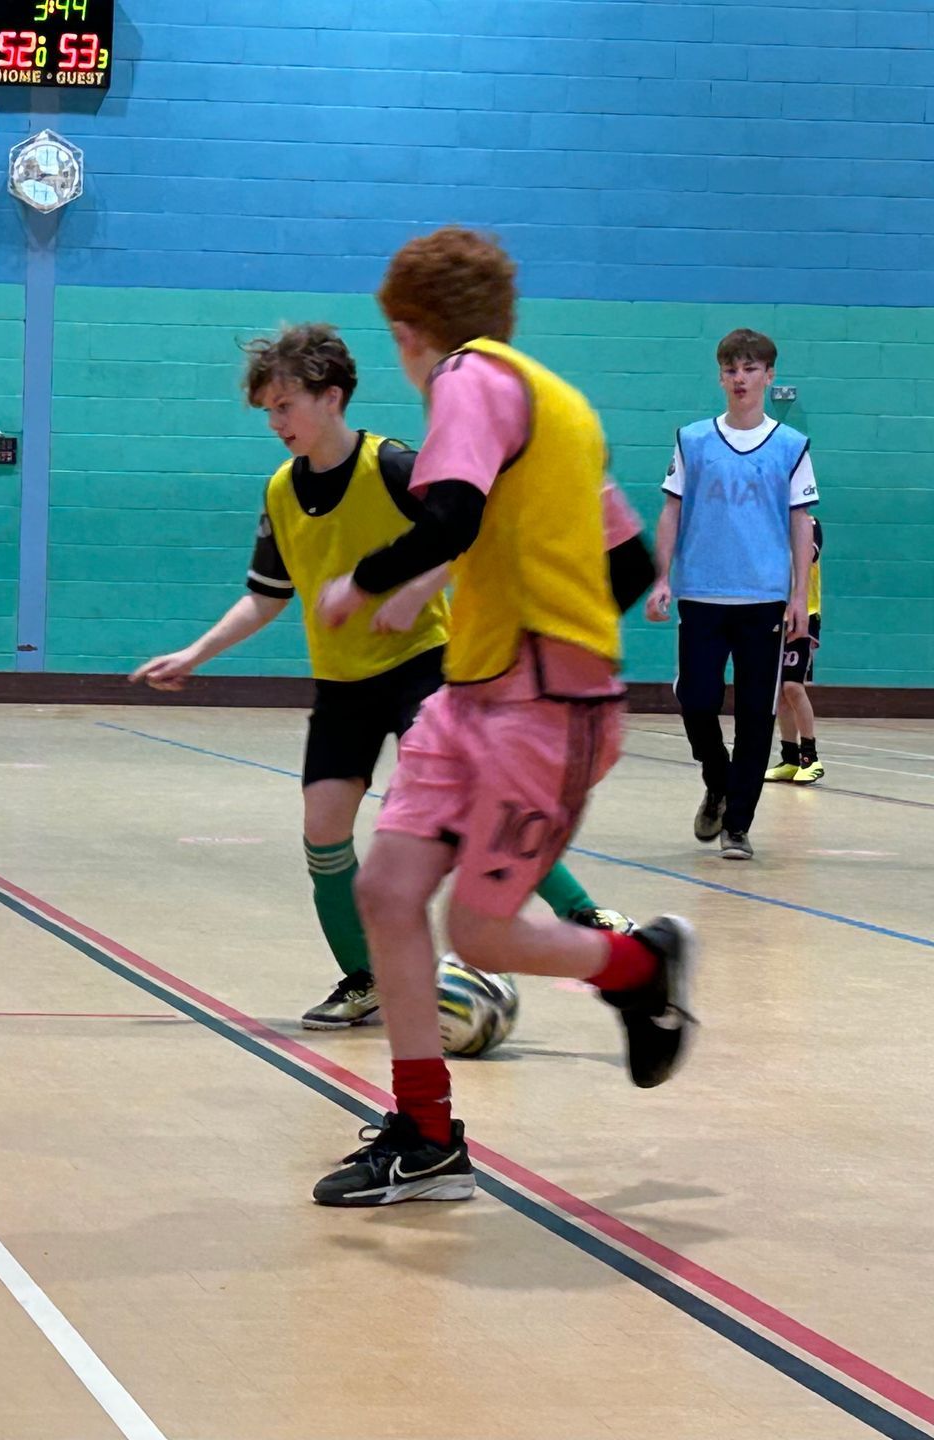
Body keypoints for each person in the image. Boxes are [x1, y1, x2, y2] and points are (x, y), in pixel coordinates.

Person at [305, 229, 695, 1207]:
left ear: (407, 333)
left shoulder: (468, 382)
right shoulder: (555, 412)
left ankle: (638, 965)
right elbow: (629, 569)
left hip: (542, 709)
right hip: (471, 694)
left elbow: (450, 519)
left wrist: (366, 578)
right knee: (390, 894)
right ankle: (427, 1138)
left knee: (477, 933)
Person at [133, 324, 635, 1033]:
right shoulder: (282, 491)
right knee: (323, 832)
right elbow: (266, 594)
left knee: (459, 814)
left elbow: (470, 532)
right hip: (341, 686)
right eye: (268, 412)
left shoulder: (396, 466)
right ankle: (363, 978)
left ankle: (588, 915)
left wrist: (403, 589)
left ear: (331, 397)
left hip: (421, 668)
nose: (275, 424)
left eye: (285, 406)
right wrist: (195, 653)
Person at [645, 329, 818, 859]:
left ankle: (737, 824)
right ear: (720, 377)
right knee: (695, 698)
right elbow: (672, 510)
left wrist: (798, 596)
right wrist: (662, 577)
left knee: (755, 716)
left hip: (763, 598)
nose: (740, 378)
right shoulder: (693, 440)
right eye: (731, 369)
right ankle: (716, 780)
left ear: (769, 376)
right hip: (701, 592)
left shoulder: (790, 448)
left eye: (750, 369)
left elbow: (800, 522)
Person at [766, 514, 825, 785]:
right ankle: (789, 758)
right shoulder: (770, 523)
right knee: (778, 691)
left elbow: (804, 557)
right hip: (775, 616)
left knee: (792, 686)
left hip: (804, 615)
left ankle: (810, 757)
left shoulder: (808, 523)